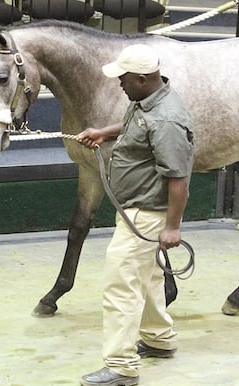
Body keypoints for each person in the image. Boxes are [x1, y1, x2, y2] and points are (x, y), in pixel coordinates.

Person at [77, 44, 194, 386]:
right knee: (149, 278)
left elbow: (178, 179)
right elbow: (139, 129)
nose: (119, 84)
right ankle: (159, 338)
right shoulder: (147, 101)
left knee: (121, 286)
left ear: (142, 78)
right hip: (138, 209)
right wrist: (106, 132)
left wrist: (172, 227)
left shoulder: (167, 118)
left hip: (146, 214)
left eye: (124, 78)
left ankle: (121, 366)